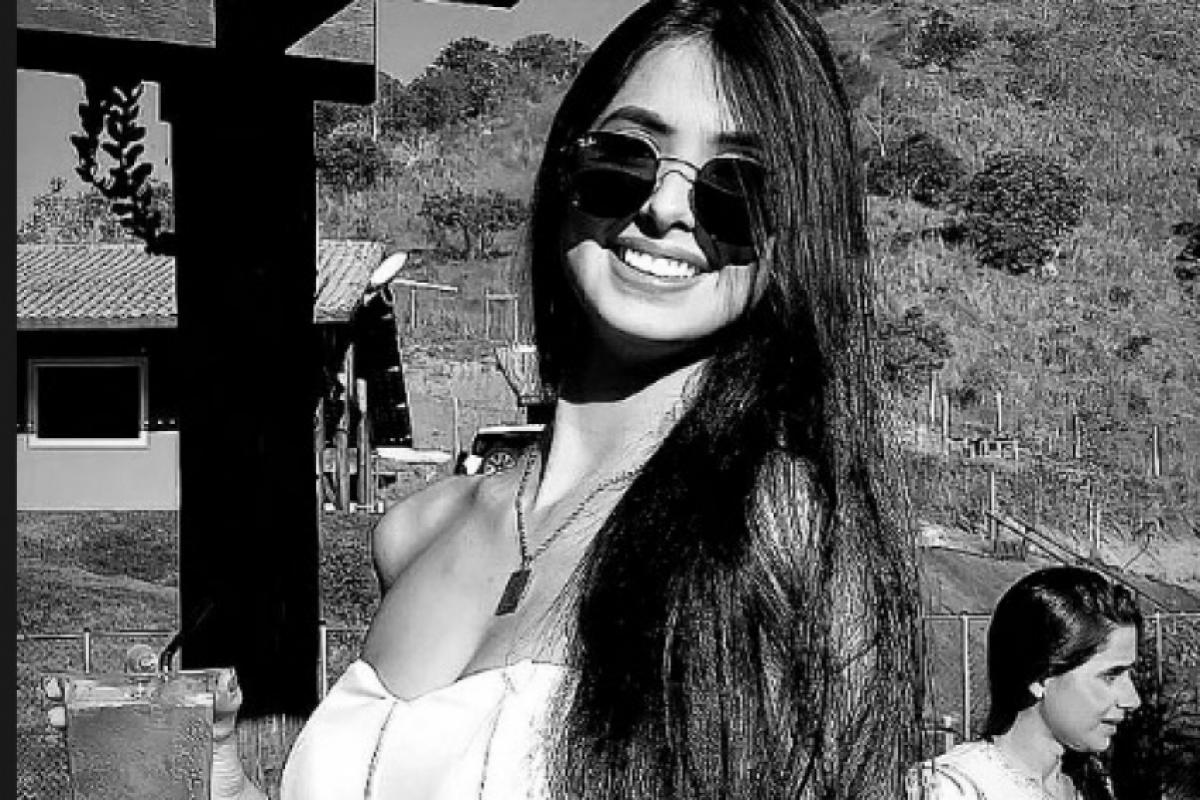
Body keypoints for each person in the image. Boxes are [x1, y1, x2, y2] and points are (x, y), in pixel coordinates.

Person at [48, 1, 921, 797]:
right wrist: (225, 785)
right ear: (566, 166)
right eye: (627, 156)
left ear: (796, 234)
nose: (665, 208)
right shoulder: (417, 532)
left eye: (738, 185)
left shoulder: (782, 533)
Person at [908, 565, 1144, 800]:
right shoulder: (950, 789)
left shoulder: (1092, 784)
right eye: (1110, 676)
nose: (1132, 700)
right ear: (1039, 678)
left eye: (1129, 674)